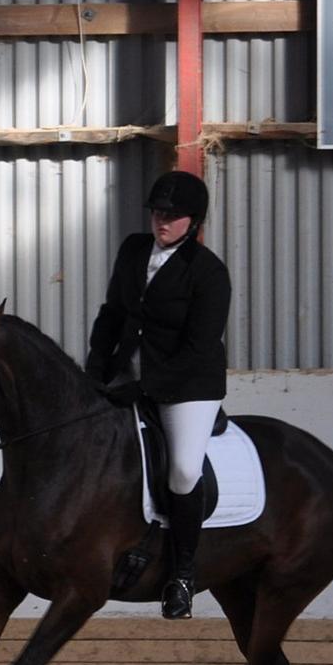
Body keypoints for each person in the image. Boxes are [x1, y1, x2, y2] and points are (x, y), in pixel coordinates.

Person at [85, 170, 231, 620]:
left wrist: (145, 388)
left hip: (188, 386)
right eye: (157, 213)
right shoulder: (132, 250)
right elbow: (112, 312)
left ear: (195, 221)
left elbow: (198, 348)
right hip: (128, 372)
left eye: (172, 215)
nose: (161, 221)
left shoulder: (208, 274)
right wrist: (95, 367)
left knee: (185, 469)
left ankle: (183, 577)